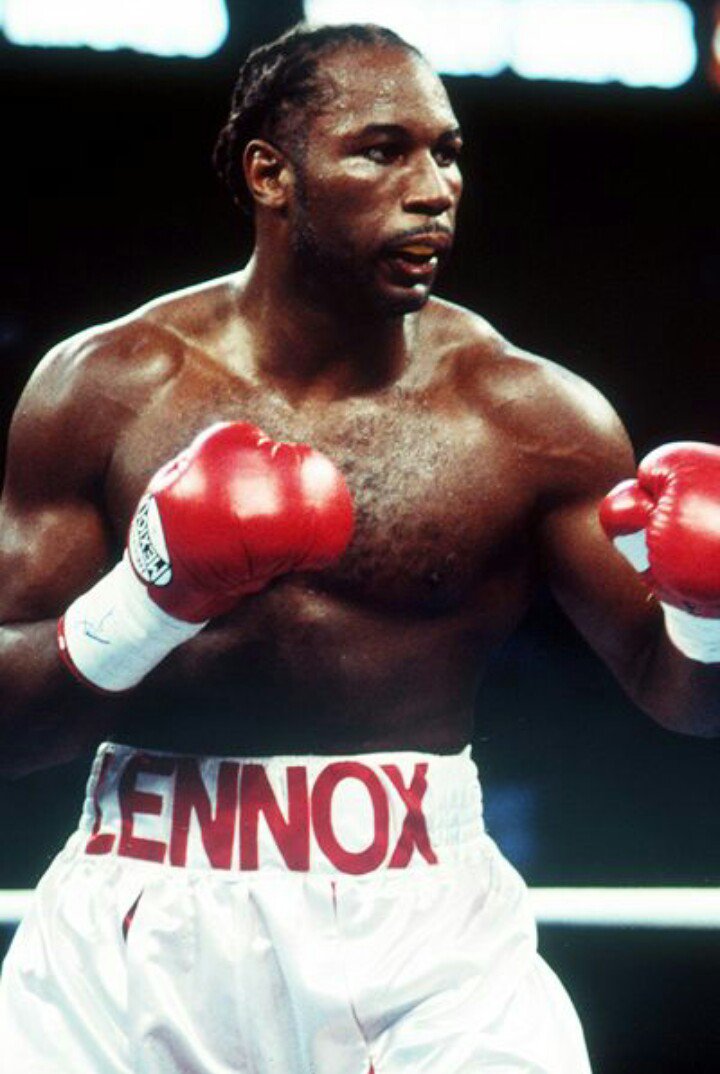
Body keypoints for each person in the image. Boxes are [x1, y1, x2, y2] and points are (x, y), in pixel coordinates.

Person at [1, 20, 719, 1074]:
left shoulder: (531, 417)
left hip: (427, 935)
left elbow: (685, 698)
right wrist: (147, 601)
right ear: (270, 174)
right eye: (384, 150)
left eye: (448, 153)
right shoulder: (105, 390)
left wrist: (709, 615)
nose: (435, 189)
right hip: (137, 924)